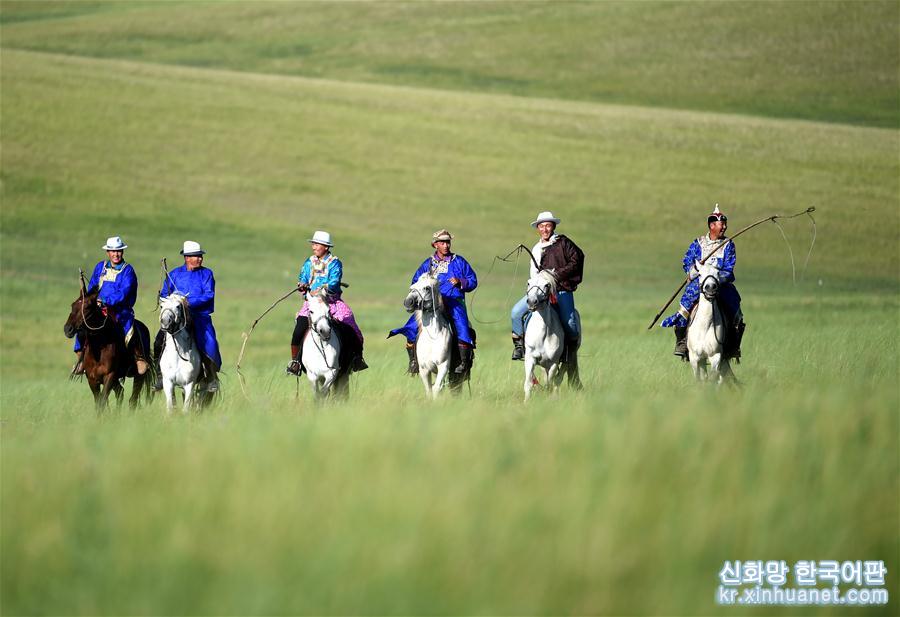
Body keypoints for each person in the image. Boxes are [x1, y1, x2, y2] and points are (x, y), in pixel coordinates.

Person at [389, 229, 478, 375]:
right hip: (431, 305)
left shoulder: (459, 262)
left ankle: (463, 363)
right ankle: (413, 361)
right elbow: (415, 282)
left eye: (448, 242)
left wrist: (460, 282)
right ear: (435, 245)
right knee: (410, 326)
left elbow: (473, 280)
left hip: (454, 302)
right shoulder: (428, 264)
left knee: (462, 326)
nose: (446, 245)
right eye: (442, 242)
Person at [661, 205, 744, 359]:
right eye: (722, 224)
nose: (725, 227)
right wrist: (691, 270)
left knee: (736, 311)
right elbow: (687, 260)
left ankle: (733, 345)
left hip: (721, 283)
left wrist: (717, 277)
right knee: (684, 307)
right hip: (699, 283)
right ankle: (682, 342)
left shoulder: (728, 245)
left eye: (725, 224)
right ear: (712, 226)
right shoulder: (698, 243)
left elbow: (729, 266)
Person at [286, 231, 367, 375]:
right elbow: (303, 277)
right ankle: (295, 362)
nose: (313, 247)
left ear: (326, 247)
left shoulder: (335, 263)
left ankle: (357, 358)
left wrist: (322, 290)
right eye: (313, 244)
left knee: (351, 326)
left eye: (317, 244)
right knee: (298, 330)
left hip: (331, 302)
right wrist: (302, 284)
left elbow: (335, 283)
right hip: (312, 305)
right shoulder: (308, 262)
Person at [510, 211, 585, 362]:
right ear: (538, 228)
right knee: (516, 312)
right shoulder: (536, 248)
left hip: (561, 290)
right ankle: (521, 348)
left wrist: (556, 275)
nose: (544, 229)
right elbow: (533, 274)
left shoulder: (563, 242)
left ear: (553, 226)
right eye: (541, 226)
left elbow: (577, 259)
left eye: (548, 226)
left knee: (569, 322)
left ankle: (568, 355)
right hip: (539, 291)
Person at [72, 236, 149, 376]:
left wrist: (106, 300)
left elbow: (124, 292)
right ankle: (82, 358)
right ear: (108, 252)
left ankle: (138, 357)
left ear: (122, 252)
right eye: (112, 251)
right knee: (81, 324)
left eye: (118, 251)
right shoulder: (100, 267)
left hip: (120, 309)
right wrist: (90, 300)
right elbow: (92, 288)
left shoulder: (128, 271)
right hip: (99, 309)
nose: (116, 254)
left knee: (129, 328)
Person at [153, 240, 222, 392]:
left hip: (199, 316)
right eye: (196, 256)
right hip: (177, 317)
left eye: (200, 256)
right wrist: (172, 302)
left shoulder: (207, 274)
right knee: (159, 340)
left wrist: (187, 302)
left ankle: (210, 377)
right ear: (187, 257)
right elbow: (165, 294)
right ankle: (159, 375)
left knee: (210, 342)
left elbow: (209, 295)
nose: (200, 258)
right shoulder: (174, 274)